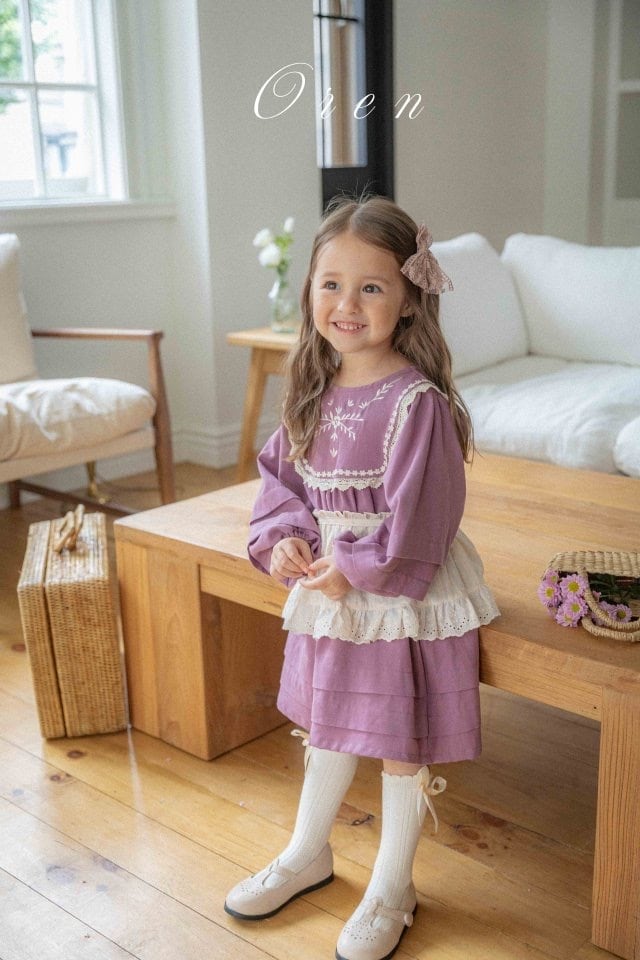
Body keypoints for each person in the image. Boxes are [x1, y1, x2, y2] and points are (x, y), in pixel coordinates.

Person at [224, 196, 499, 960]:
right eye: (331, 285)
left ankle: (392, 887)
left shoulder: (417, 403)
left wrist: (356, 567)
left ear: (408, 298)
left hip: (397, 592)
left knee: (396, 737)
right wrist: (285, 539)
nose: (347, 305)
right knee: (329, 720)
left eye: (371, 287)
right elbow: (282, 482)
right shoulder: (310, 392)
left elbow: (425, 517)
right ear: (309, 290)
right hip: (331, 592)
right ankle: (307, 851)